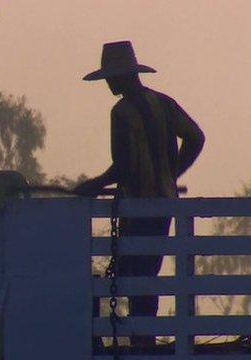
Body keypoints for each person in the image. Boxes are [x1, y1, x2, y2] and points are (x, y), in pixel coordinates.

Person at [74, 41, 205, 348]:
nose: (108, 83)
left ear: (123, 76)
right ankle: (143, 336)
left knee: (135, 270)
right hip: (164, 203)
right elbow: (196, 138)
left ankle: (140, 340)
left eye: (111, 77)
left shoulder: (121, 112)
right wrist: (170, 175)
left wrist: (91, 186)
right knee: (149, 268)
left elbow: (120, 168)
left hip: (138, 206)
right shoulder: (164, 103)